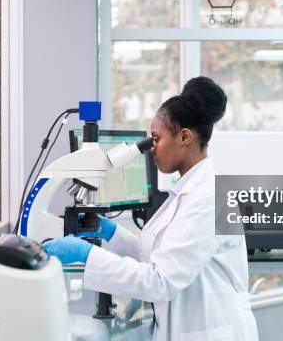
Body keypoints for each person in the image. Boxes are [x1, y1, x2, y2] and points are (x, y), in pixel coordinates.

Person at [43, 77, 258, 340]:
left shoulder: (208, 198)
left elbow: (160, 281)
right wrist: (111, 233)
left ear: (185, 137)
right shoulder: (188, 190)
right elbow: (156, 256)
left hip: (212, 330)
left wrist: (86, 255)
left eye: (156, 139)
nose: (151, 149)